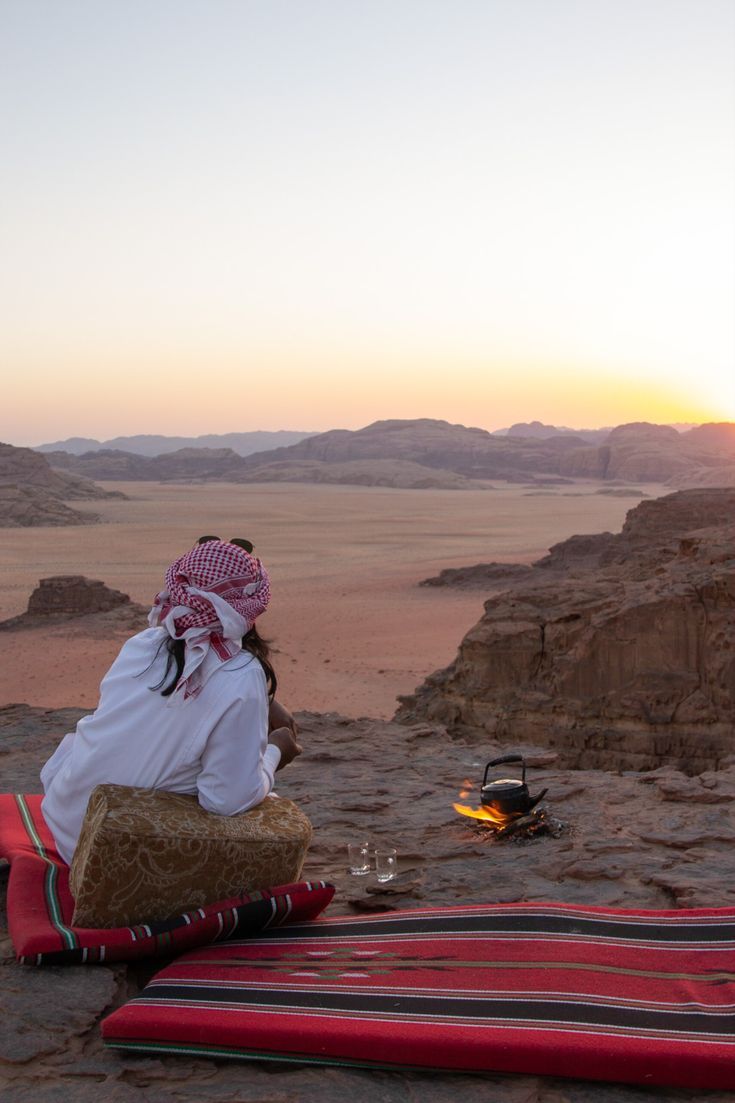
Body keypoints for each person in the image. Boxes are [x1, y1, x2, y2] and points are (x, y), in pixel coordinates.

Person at [40, 537, 302, 865]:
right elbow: (224, 800)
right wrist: (275, 751)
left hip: (66, 822)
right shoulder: (241, 674)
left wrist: (261, 699)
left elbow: (186, 688)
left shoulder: (145, 642)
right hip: (109, 853)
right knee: (269, 822)